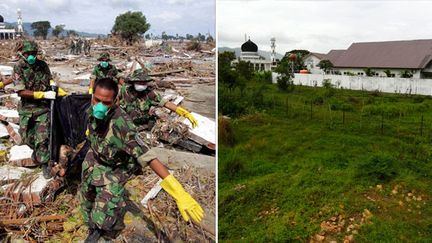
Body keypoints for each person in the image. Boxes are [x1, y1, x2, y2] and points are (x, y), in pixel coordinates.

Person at [81, 78, 204, 242]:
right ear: (92, 96)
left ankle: (100, 229)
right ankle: (91, 220)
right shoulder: (92, 108)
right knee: (86, 197)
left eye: (106, 102)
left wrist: (178, 191)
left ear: (116, 101)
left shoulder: (123, 126)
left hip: (114, 169)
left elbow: (148, 157)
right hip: (94, 159)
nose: (100, 106)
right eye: (97, 100)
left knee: (104, 217)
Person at [11, 40, 67, 178]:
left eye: (34, 54)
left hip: (43, 109)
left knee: (42, 138)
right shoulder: (18, 68)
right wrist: (42, 94)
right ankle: (37, 153)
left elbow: (49, 80)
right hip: (26, 109)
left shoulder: (43, 65)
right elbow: (20, 91)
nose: (31, 56)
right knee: (27, 137)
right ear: (22, 53)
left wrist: (56, 88)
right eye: (28, 53)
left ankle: (45, 164)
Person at [119, 69, 198, 130]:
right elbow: (115, 99)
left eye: (144, 83)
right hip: (125, 122)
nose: (142, 85)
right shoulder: (125, 90)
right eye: (139, 82)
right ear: (133, 82)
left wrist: (184, 113)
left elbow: (166, 103)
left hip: (141, 123)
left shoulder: (150, 93)